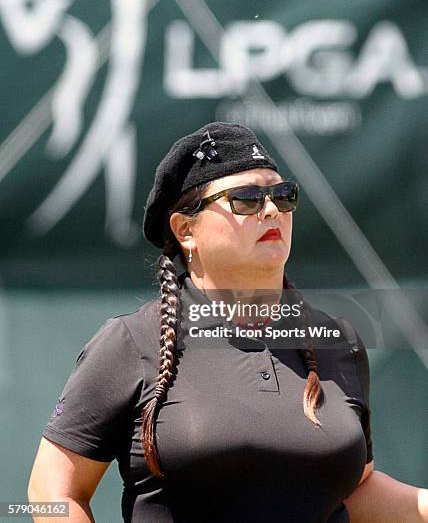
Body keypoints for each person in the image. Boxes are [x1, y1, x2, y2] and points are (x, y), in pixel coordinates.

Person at [28, 122, 428, 522]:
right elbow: (52, 491)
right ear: (186, 230)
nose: (271, 210)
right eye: (247, 199)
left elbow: (353, 490)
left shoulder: (337, 340)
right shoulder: (131, 342)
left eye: (282, 196)